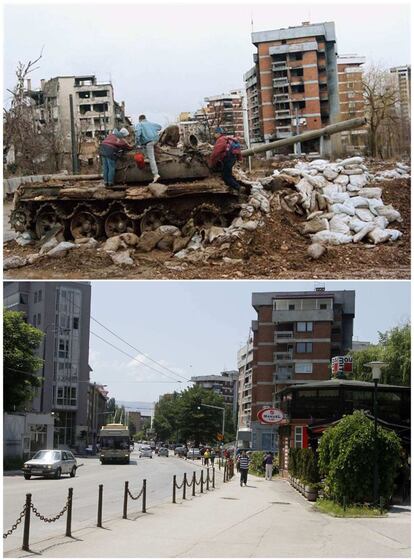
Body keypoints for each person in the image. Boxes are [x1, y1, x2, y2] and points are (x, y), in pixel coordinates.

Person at [208, 127, 242, 191]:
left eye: (215, 133)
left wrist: (211, 164)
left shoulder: (220, 140)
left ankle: (239, 188)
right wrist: (239, 159)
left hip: (228, 160)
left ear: (218, 133)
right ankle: (237, 186)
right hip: (232, 159)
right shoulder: (228, 139)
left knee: (226, 177)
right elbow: (238, 150)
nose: (214, 135)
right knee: (228, 174)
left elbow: (215, 153)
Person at [134, 115, 162, 183]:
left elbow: (138, 134)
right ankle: (146, 157)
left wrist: (137, 143)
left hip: (149, 142)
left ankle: (156, 174)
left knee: (151, 158)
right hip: (155, 140)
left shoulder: (139, 124)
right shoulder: (151, 123)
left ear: (139, 119)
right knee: (144, 146)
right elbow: (160, 127)